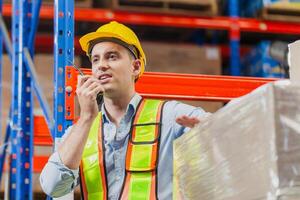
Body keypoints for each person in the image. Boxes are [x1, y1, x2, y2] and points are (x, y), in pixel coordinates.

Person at [40, 21, 209, 200]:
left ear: (135, 67)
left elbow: (227, 130)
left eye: (112, 56)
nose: (101, 65)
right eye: (95, 59)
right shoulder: (81, 131)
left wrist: (210, 133)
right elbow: (53, 187)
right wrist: (86, 117)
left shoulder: (170, 116)